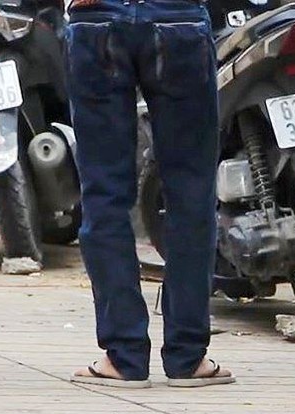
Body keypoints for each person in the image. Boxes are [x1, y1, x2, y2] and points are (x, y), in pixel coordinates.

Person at [65, 0, 234, 388]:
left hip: (97, 19)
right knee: (191, 193)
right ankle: (188, 357)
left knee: (104, 195)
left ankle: (124, 357)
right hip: (179, 21)